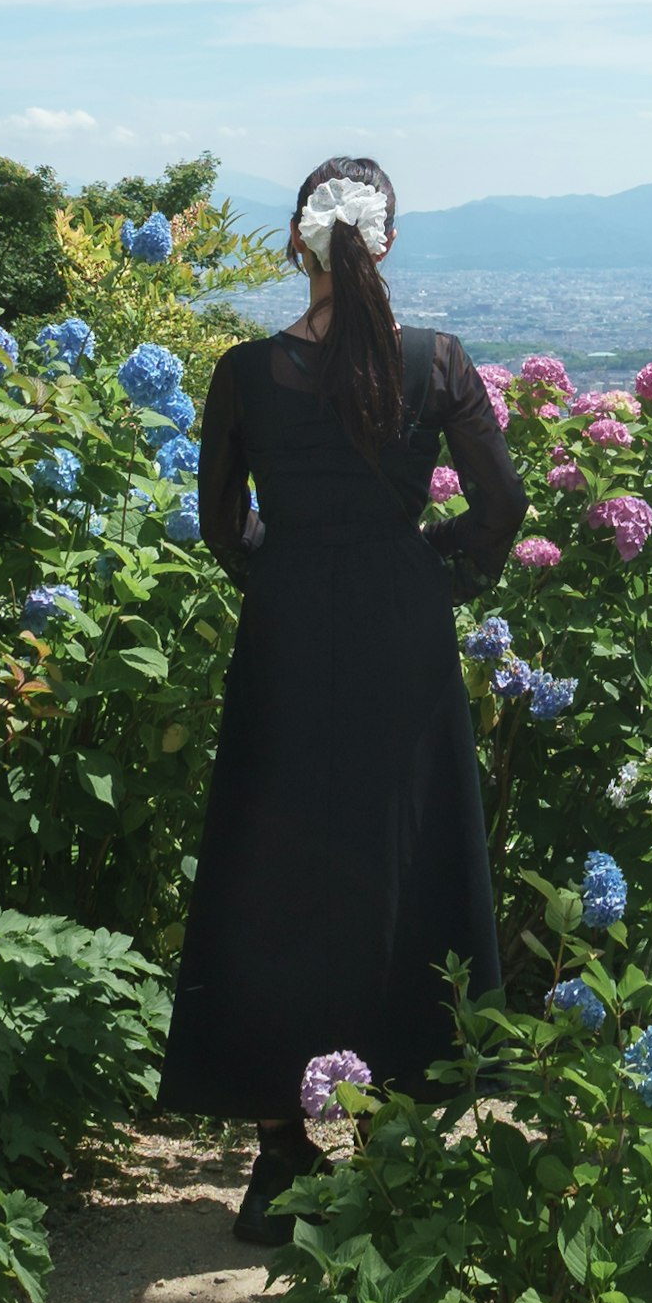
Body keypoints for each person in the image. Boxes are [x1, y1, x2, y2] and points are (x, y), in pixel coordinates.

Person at [156, 149, 525, 1231]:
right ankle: (398, 1131)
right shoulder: (438, 360)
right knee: (404, 853)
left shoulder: (245, 372)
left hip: (288, 634)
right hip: (403, 631)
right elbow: (498, 506)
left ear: (295, 244)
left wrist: (283, 574)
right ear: (387, 241)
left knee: (277, 864)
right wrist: (432, 571)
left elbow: (224, 526)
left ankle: (282, 1159)